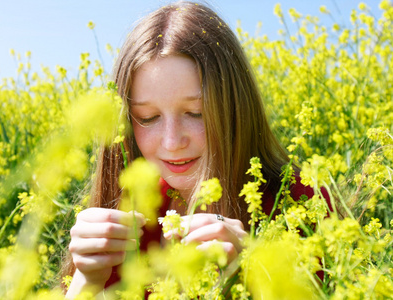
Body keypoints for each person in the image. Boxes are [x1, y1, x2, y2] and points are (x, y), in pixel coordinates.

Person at [62, 1, 320, 297]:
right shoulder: (127, 213)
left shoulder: (300, 207)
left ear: (235, 108)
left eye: (196, 113)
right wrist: (86, 280)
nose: (172, 142)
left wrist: (251, 277)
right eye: (148, 118)